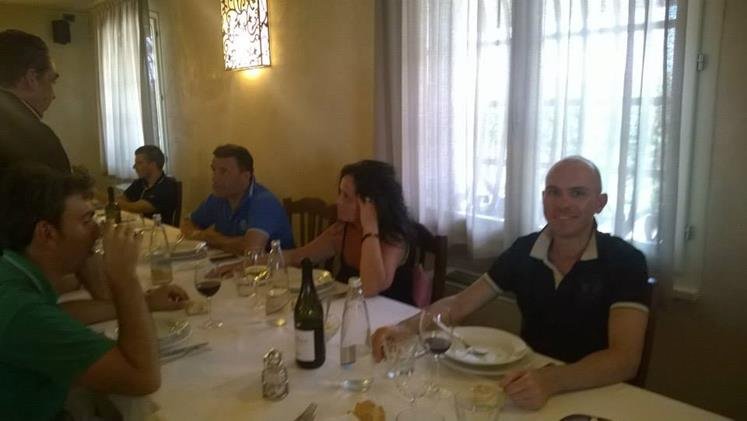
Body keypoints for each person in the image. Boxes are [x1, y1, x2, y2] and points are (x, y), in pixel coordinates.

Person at [371, 156, 650, 410]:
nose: (563, 203)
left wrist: (551, 380)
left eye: (577, 193)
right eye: (554, 192)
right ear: (543, 198)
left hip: (596, 394)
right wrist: (403, 328)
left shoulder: (625, 260)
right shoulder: (524, 250)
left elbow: (624, 359)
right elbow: (458, 305)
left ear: (600, 202)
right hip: (527, 386)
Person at [0, 164, 163, 420]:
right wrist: (126, 279)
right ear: (47, 233)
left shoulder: (13, 270)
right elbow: (143, 378)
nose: (98, 230)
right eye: (87, 221)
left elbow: (68, 311)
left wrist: (87, 248)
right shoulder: (20, 310)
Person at [284, 160, 416, 304]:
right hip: (351, 307)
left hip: (393, 313)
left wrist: (370, 227)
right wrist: (266, 258)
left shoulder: (394, 237)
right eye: (340, 193)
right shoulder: (342, 230)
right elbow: (299, 257)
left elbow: (369, 288)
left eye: (346, 196)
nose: (338, 201)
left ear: (370, 204)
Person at [181, 144, 293, 255]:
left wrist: (211, 238)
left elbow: (250, 250)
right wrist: (201, 235)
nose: (214, 177)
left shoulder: (264, 202)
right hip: (232, 262)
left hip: (275, 266)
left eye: (223, 171)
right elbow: (187, 223)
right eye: (214, 170)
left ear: (245, 176)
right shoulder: (218, 197)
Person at [0, 29, 69, 175]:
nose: (53, 96)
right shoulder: (39, 138)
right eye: (51, 81)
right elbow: (63, 189)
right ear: (31, 79)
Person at [117, 145, 179, 225]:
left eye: (139, 163)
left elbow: (136, 208)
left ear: (153, 165)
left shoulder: (167, 186)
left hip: (159, 229)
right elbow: (121, 199)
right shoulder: (140, 182)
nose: (134, 167)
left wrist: (117, 204)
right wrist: (117, 203)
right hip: (139, 226)